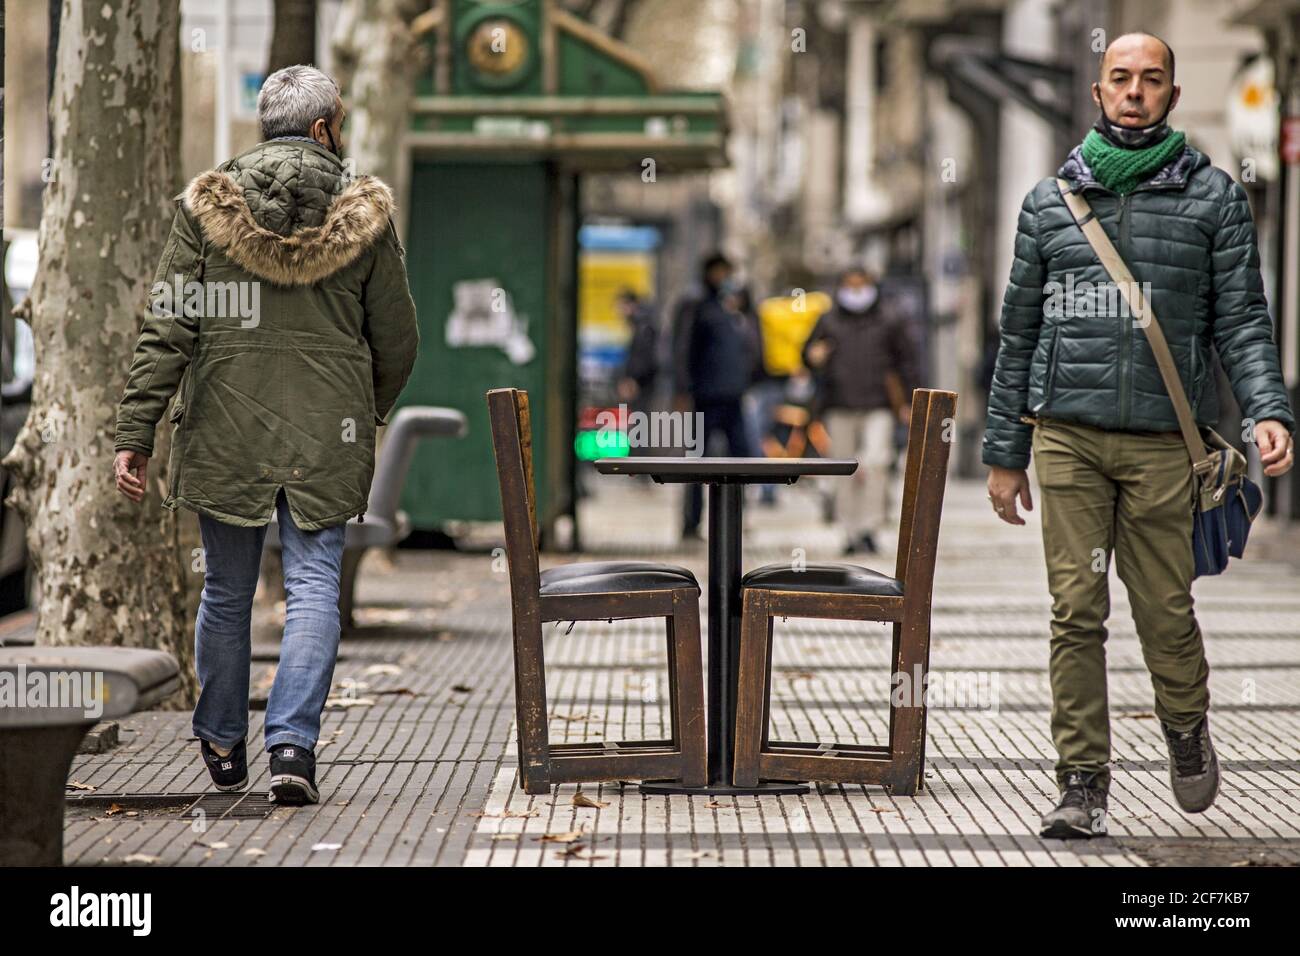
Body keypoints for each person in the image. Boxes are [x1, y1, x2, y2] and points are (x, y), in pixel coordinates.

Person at [984, 33, 1294, 839]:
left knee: (1164, 608)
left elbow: (1244, 322)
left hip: (1167, 443)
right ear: (1097, 91)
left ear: (1171, 96)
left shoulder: (1215, 199)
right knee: (1075, 609)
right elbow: (1017, 335)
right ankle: (1081, 781)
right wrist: (1002, 456)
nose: (1134, 92)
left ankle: (1186, 730)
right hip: (1068, 439)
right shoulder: (1049, 205)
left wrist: (1267, 408)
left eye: (1150, 80)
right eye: (1120, 78)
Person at [113, 65, 419, 806]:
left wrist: (138, 430)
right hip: (327, 431)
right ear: (322, 129)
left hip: (226, 425)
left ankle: (222, 740)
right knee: (314, 585)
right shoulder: (365, 215)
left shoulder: (206, 208)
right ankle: (292, 745)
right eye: (339, 121)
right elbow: (398, 340)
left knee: (227, 590)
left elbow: (169, 326)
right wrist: (362, 410)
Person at [802, 267, 917, 554]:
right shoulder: (828, 320)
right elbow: (806, 354)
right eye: (849, 286)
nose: (855, 292)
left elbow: (908, 361)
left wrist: (909, 401)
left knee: (876, 464)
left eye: (860, 285)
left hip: (879, 404)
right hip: (839, 404)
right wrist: (813, 357)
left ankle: (870, 527)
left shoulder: (890, 318)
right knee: (844, 468)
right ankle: (850, 530)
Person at [673, 252, 759, 539]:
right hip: (704, 397)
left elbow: (751, 347)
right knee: (697, 461)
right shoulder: (695, 304)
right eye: (719, 272)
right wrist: (683, 389)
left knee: (741, 460)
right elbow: (682, 348)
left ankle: (737, 519)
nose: (724, 278)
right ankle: (691, 521)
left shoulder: (736, 308)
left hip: (734, 396)